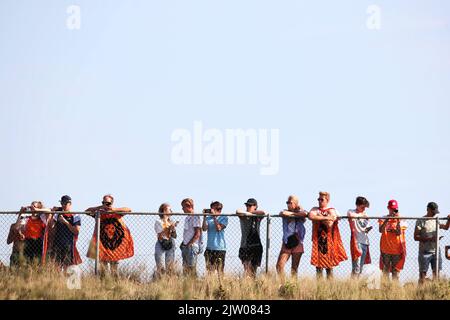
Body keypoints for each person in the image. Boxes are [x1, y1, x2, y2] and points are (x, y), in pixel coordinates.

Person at [85, 194, 134, 276]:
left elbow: (129, 210)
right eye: (103, 202)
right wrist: (100, 207)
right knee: (103, 269)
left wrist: (114, 209)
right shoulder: (99, 213)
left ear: (112, 203)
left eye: (107, 203)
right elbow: (87, 211)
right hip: (103, 245)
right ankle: (103, 285)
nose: (105, 205)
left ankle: (114, 285)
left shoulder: (117, 212)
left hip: (115, 247)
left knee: (114, 269)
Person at [308, 191, 347, 279]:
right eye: (318, 199)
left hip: (329, 240)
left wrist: (319, 217)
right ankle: (320, 285)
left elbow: (330, 223)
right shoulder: (315, 208)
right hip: (317, 239)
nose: (319, 201)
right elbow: (311, 216)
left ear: (327, 200)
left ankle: (330, 285)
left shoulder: (331, 210)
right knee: (318, 264)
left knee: (329, 263)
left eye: (322, 199)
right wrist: (325, 217)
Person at [414, 202, 450, 284]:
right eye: (433, 211)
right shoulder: (421, 221)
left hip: (436, 251)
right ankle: (420, 292)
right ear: (428, 209)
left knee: (436, 274)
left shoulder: (436, 220)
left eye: (435, 212)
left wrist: (449, 220)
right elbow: (416, 237)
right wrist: (431, 238)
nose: (434, 214)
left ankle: (434, 291)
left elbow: (446, 227)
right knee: (422, 274)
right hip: (424, 252)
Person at [276, 195, 308, 281]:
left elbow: (305, 214)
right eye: (287, 202)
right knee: (279, 265)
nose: (288, 204)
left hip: (298, 241)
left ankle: (293, 286)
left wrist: (296, 213)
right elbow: (282, 213)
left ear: (296, 204)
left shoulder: (301, 213)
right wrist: (294, 215)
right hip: (287, 241)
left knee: (294, 268)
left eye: (290, 203)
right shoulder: (285, 212)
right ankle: (283, 284)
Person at [49, 195, 82, 269]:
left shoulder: (75, 215)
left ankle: (65, 280)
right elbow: (52, 227)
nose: (63, 205)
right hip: (57, 243)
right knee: (56, 265)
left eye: (65, 204)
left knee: (67, 266)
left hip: (68, 244)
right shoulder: (58, 214)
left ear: (70, 204)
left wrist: (65, 221)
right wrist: (52, 214)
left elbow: (76, 231)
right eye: (62, 203)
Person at [236, 198, 266, 277]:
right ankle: (247, 284)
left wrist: (252, 213)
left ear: (255, 206)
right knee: (247, 268)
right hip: (245, 245)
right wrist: (248, 213)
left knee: (253, 270)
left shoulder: (257, 217)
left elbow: (263, 212)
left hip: (256, 245)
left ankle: (252, 285)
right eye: (247, 205)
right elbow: (238, 211)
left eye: (250, 205)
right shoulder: (244, 216)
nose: (248, 207)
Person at [378, 199, 407, 281]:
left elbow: (398, 232)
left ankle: (394, 290)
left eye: (395, 209)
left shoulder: (401, 219)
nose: (393, 211)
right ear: (388, 208)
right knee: (385, 271)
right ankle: (384, 289)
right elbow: (380, 230)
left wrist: (397, 220)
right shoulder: (383, 218)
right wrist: (387, 219)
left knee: (395, 272)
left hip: (397, 250)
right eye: (391, 208)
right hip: (385, 249)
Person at [347, 196, 372, 276]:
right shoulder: (351, 211)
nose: (364, 209)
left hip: (364, 241)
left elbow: (367, 227)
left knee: (361, 266)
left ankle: (356, 282)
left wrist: (368, 228)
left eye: (365, 207)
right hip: (356, 241)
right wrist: (361, 216)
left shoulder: (365, 214)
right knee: (356, 265)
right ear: (357, 205)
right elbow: (350, 215)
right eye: (362, 207)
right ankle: (353, 282)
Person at [202, 201, 228, 275]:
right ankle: (210, 284)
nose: (211, 210)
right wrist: (204, 217)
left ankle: (221, 285)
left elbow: (219, 228)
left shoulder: (224, 217)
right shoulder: (208, 218)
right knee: (210, 271)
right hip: (209, 248)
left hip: (220, 248)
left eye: (213, 209)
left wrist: (214, 217)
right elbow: (204, 229)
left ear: (219, 209)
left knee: (220, 271)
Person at [180, 198, 203, 277]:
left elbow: (197, 233)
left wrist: (189, 244)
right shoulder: (187, 218)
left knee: (191, 268)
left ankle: (194, 285)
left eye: (183, 207)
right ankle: (187, 285)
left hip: (192, 246)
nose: (182, 209)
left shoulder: (195, 217)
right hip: (186, 246)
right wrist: (184, 244)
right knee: (185, 269)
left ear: (189, 206)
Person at [154, 203, 178, 277]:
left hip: (170, 242)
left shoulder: (171, 222)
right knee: (159, 262)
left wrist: (173, 229)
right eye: (169, 209)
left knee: (170, 264)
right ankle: (160, 278)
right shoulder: (158, 222)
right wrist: (169, 228)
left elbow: (175, 236)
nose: (171, 211)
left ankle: (169, 280)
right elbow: (160, 234)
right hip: (161, 242)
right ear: (164, 211)